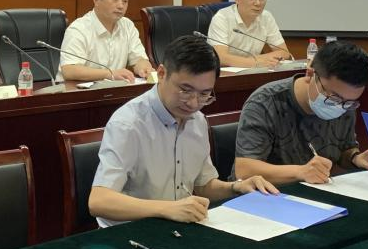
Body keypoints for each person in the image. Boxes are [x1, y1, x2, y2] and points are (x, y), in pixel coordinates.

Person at [89, 33, 277, 227]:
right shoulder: (128, 124)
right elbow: (99, 201)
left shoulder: (197, 121)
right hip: (130, 231)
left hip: (176, 226)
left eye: (204, 94)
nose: (193, 103)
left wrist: (237, 187)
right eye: (185, 90)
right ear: (161, 73)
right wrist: (167, 208)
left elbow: (203, 186)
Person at [233, 40, 368, 185]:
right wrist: (301, 172)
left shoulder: (345, 105)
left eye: (348, 102)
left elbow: (343, 150)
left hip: (314, 191)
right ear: (310, 74)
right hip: (263, 194)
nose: (339, 106)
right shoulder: (266, 102)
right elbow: (244, 170)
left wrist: (355, 158)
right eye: (333, 98)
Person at [59, 0, 154, 82]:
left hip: (115, 90)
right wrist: (110, 74)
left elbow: (139, 59)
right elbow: (69, 70)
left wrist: (144, 68)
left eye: (125, 1)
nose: (121, 6)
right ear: (96, 0)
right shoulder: (79, 29)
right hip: (78, 90)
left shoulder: (127, 26)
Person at [207, 0, 292, 69]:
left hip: (253, 72)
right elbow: (221, 58)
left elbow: (284, 52)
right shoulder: (222, 18)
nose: (258, 3)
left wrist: (256, 60)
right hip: (225, 74)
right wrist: (256, 62)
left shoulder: (266, 17)